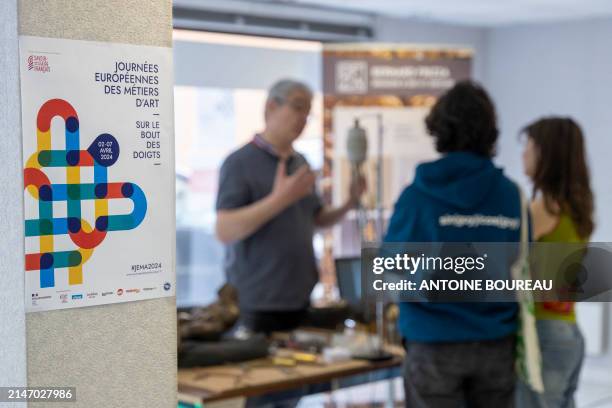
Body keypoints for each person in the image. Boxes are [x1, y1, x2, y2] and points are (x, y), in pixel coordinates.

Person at [384, 80, 522, 408]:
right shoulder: (510, 195)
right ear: (490, 130)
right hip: (495, 344)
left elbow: (391, 272)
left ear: (439, 128)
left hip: (433, 344)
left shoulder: (416, 198)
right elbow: (522, 266)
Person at [215, 79, 365, 334]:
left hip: (299, 298)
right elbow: (225, 230)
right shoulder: (239, 162)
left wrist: (350, 202)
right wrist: (281, 199)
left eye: (308, 112)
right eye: (297, 108)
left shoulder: (300, 162)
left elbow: (317, 220)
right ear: (271, 107)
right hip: (256, 303)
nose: (303, 118)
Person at [517, 117, 594, 408]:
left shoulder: (541, 210)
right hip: (569, 333)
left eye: (529, 146)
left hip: (544, 335)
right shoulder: (576, 210)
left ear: (546, 154)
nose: (523, 154)